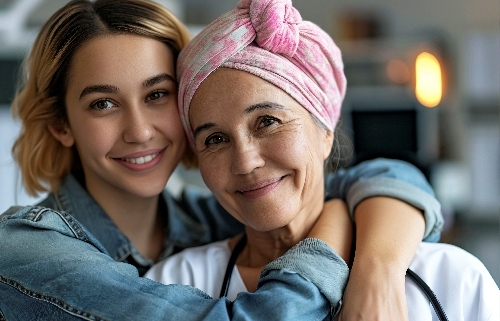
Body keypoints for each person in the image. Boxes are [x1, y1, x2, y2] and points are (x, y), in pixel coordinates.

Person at [0, 0, 444, 319]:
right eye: (102, 104)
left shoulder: (207, 221)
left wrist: (379, 268)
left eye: (157, 95)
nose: (139, 131)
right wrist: (332, 232)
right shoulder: (21, 249)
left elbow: (379, 177)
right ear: (61, 124)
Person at [145, 0, 500, 320]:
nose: (246, 162)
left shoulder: (453, 281)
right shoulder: (176, 284)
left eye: (267, 121)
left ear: (325, 133)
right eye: (216, 139)